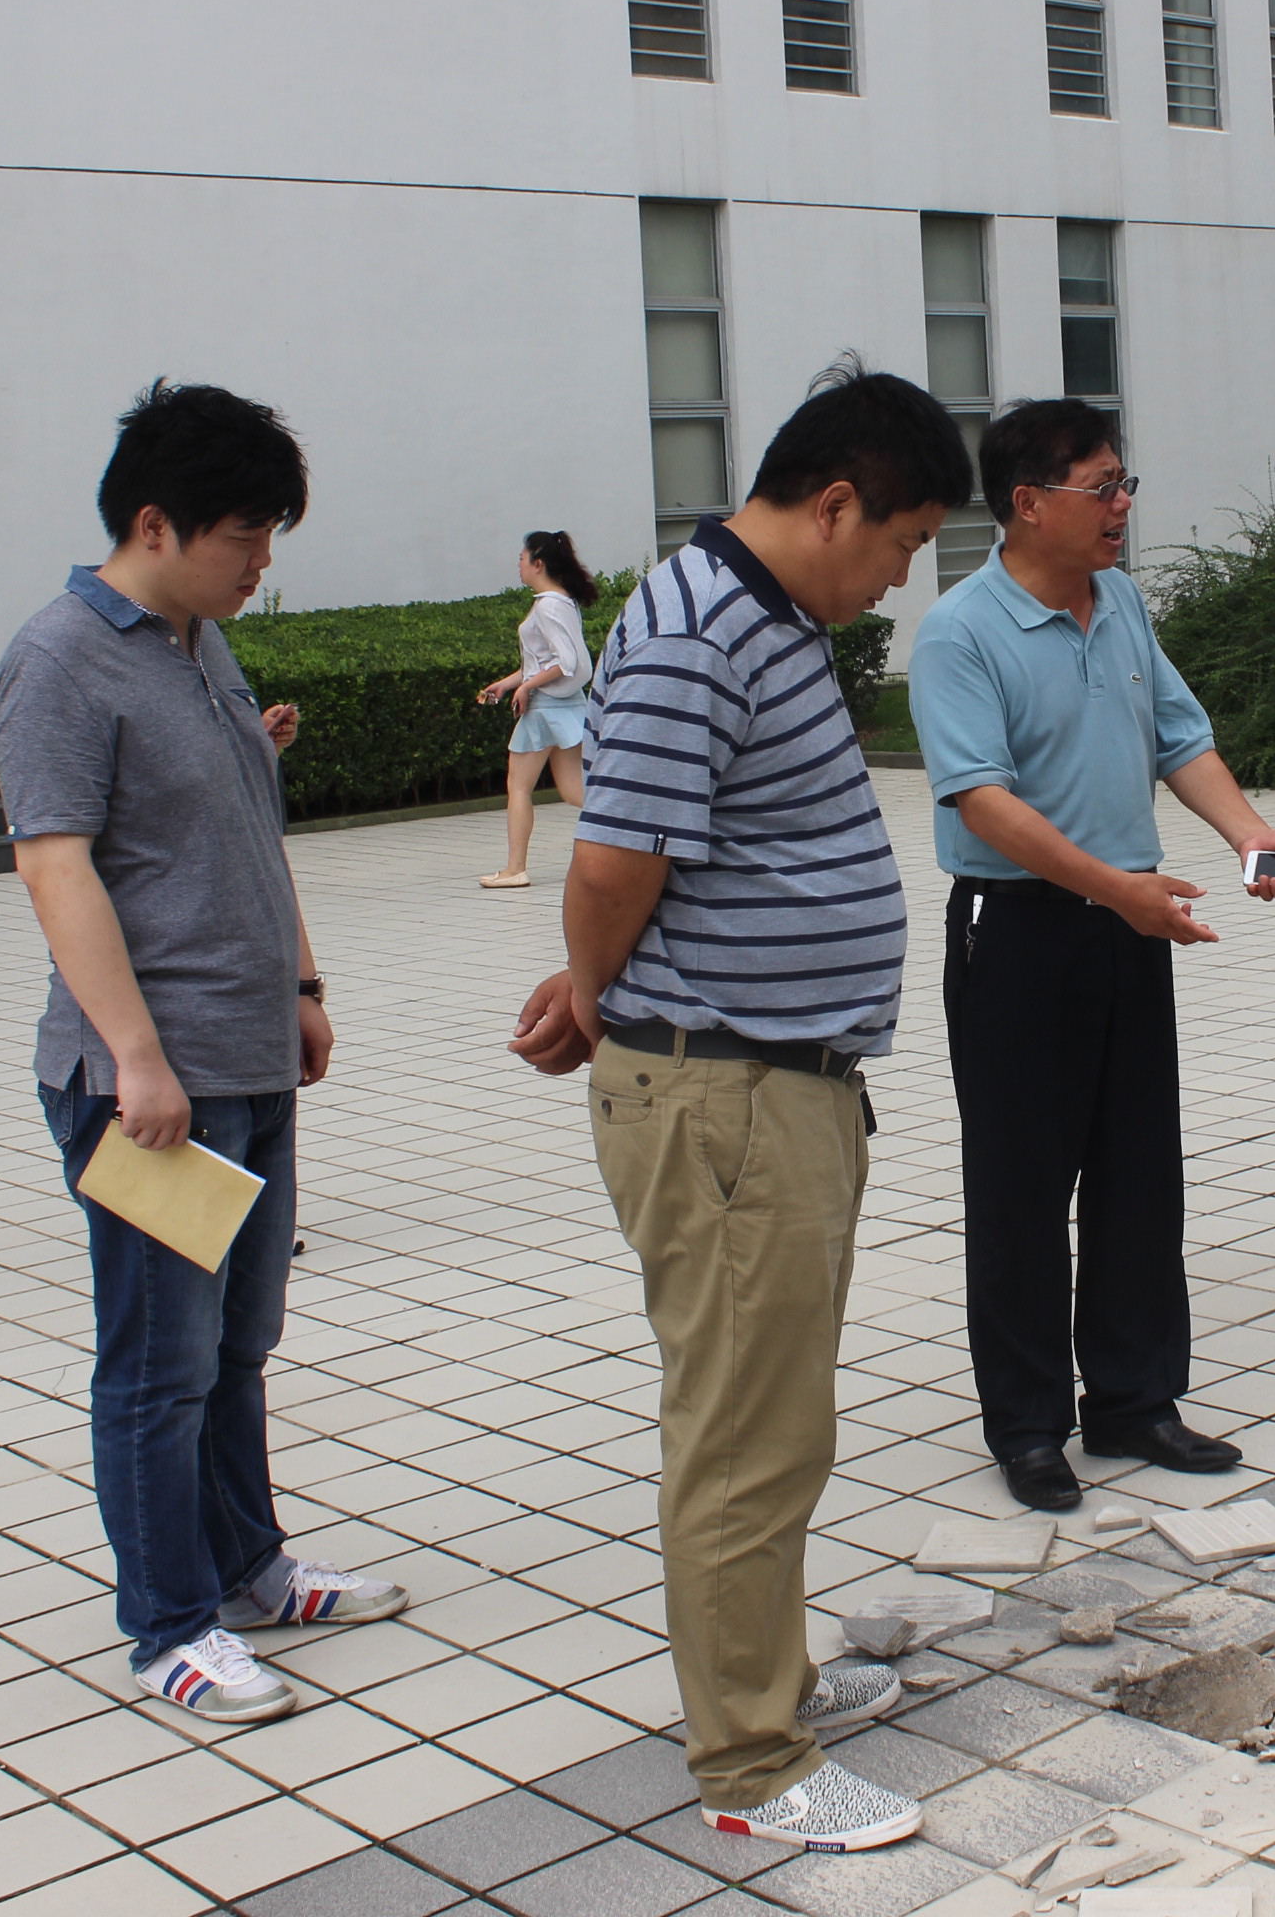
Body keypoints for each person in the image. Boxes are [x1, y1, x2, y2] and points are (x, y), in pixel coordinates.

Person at [507, 368, 973, 1852]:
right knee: (745, 1434)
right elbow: (612, 861)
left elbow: (679, 847)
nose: (898, 580)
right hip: (727, 1097)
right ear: (835, 504)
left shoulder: (757, 616)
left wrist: (607, 986)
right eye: (900, 544)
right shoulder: (703, 630)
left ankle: (767, 1684)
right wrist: (598, 992)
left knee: (777, 1418)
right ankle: (754, 1768)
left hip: (770, 1083)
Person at [0, 382, 408, 1731]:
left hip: (250, 1058)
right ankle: (168, 1627)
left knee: (239, 1343)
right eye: (246, 534)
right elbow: (55, 866)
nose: (262, 562)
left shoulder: (200, 643)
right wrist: (137, 1058)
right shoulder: (60, 658)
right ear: (156, 524)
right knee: (158, 1364)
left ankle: (248, 1568)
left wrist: (302, 984)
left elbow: (246, 829)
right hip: (151, 1090)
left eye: (271, 534)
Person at [909, 400, 1275, 1513]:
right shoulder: (960, 633)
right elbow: (983, 802)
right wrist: (1114, 889)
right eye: (1102, 488)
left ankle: (1136, 1400)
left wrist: (1251, 836)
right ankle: (1029, 1425)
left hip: (1130, 923)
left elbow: (1179, 737)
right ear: (1028, 503)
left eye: (1124, 484)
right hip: (1017, 930)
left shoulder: (1121, 602)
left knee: (1140, 1171)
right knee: (1022, 1188)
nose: (1122, 506)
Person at [478, 529, 599, 889]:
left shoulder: (547, 606)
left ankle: (515, 868)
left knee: (518, 786)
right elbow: (547, 662)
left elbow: (565, 662)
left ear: (538, 563)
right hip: (566, 706)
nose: (518, 564)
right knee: (575, 790)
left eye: (522, 558)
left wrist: (526, 687)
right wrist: (509, 683)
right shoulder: (561, 601)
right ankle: (636, 830)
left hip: (546, 708)